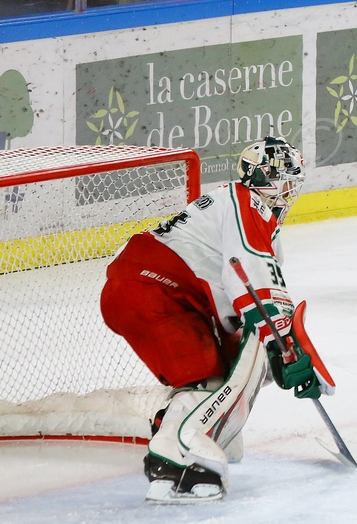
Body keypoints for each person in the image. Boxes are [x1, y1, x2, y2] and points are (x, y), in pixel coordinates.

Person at [100, 136, 334, 503]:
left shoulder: (246, 211)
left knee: (228, 367)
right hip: (152, 291)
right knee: (206, 380)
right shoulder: (246, 203)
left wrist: (284, 354)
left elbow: (241, 304)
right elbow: (251, 275)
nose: (290, 190)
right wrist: (282, 342)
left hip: (159, 294)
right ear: (267, 179)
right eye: (285, 180)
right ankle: (177, 461)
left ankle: (188, 430)